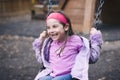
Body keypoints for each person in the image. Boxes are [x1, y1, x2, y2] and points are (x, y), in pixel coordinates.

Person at [32, 10, 103, 80]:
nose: (51, 30)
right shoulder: (49, 43)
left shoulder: (76, 41)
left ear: (66, 27)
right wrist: (40, 40)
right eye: (48, 27)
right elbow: (42, 59)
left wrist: (95, 38)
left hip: (71, 76)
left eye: (54, 26)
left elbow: (92, 57)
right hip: (53, 75)